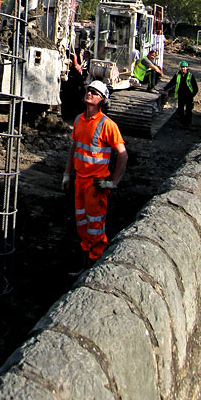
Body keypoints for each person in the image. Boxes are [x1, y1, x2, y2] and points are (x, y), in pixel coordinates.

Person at [62, 80, 128, 266]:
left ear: (103, 100)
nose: (89, 93)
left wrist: (113, 183)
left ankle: (94, 264)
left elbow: (123, 155)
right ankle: (85, 263)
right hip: (79, 182)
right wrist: (68, 174)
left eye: (95, 92)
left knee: (95, 228)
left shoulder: (108, 125)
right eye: (89, 90)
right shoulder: (79, 120)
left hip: (95, 185)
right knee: (82, 225)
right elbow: (74, 149)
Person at [164, 59, 199, 128]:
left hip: (188, 96)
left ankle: (188, 123)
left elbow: (195, 87)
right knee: (180, 110)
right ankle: (182, 123)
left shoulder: (190, 76)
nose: (183, 69)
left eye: (184, 67)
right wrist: (165, 88)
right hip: (181, 95)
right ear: (180, 67)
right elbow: (172, 82)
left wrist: (192, 95)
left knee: (189, 110)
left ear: (187, 68)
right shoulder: (177, 75)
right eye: (182, 67)